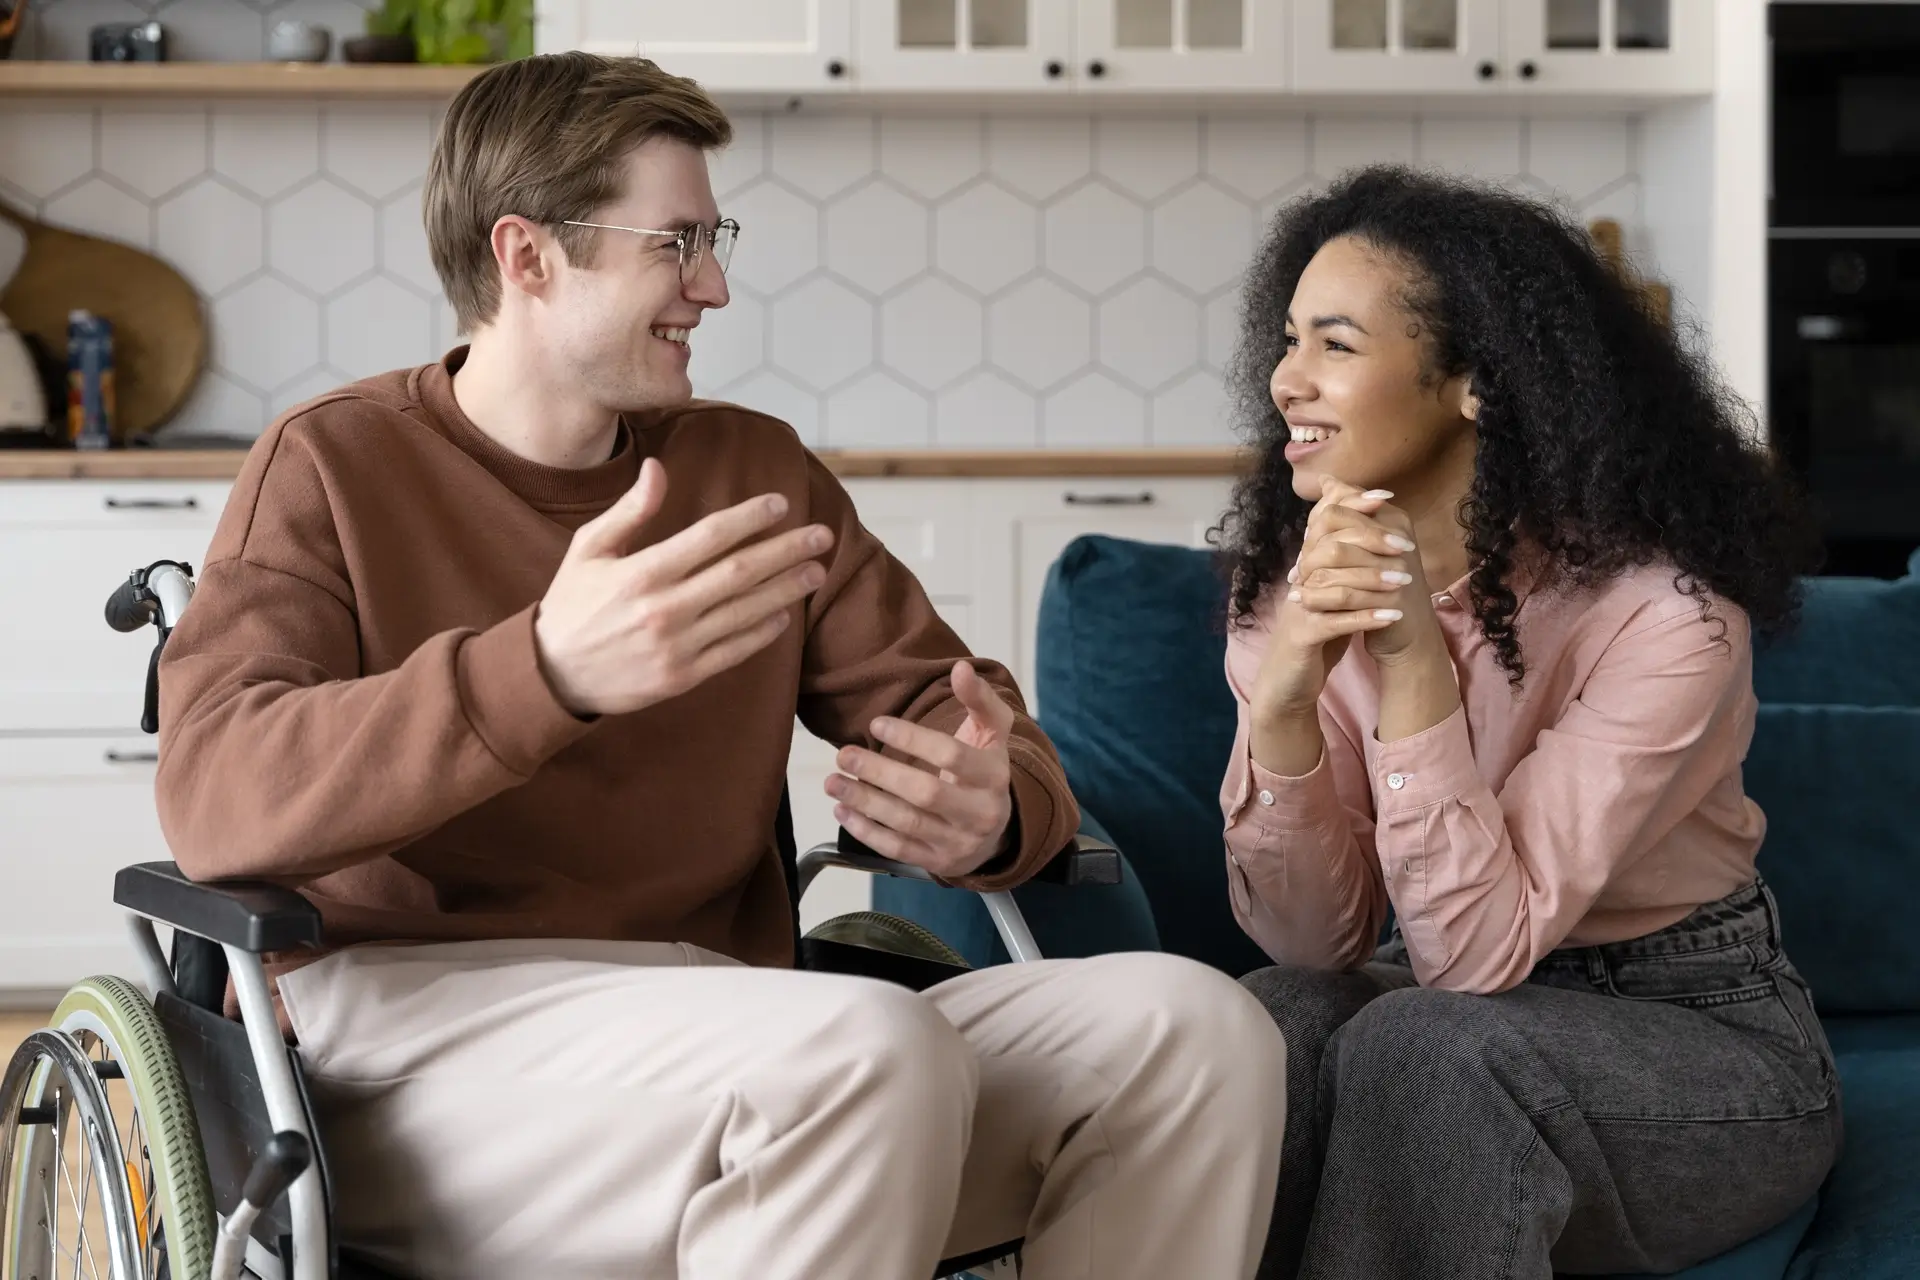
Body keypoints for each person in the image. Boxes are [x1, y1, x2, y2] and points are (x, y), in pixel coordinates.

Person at [154, 51, 1286, 1280]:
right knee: (861, 1051)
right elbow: (216, 794)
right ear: (526, 255)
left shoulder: (753, 470)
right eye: (676, 243)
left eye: (714, 238)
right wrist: (543, 668)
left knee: (1198, 1031)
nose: (716, 286)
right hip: (409, 1039)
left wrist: (996, 798)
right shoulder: (331, 464)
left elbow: (954, 709)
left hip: (743, 1024)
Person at [1214, 164, 1840, 1280]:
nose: (1284, 381)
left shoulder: (1667, 618)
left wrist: (1414, 669)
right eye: (1289, 338)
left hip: (1700, 1036)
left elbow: (1468, 963)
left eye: (1335, 345)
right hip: (1456, 1010)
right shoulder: (1287, 590)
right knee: (1275, 1014)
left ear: (1477, 385)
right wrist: (1286, 702)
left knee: (1429, 1043)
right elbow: (1316, 942)